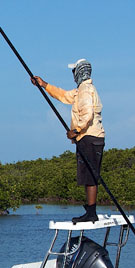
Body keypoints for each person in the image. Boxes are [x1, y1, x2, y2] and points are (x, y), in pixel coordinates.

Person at [31, 58, 105, 223]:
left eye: (74, 71)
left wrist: (76, 131)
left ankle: (91, 212)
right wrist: (44, 85)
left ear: (79, 72)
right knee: (88, 176)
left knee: (90, 176)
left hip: (89, 137)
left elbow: (88, 114)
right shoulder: (81, 90)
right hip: (89, 138)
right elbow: (64, 96)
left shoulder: (86, 91)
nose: (73, 74)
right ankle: (90, 209)